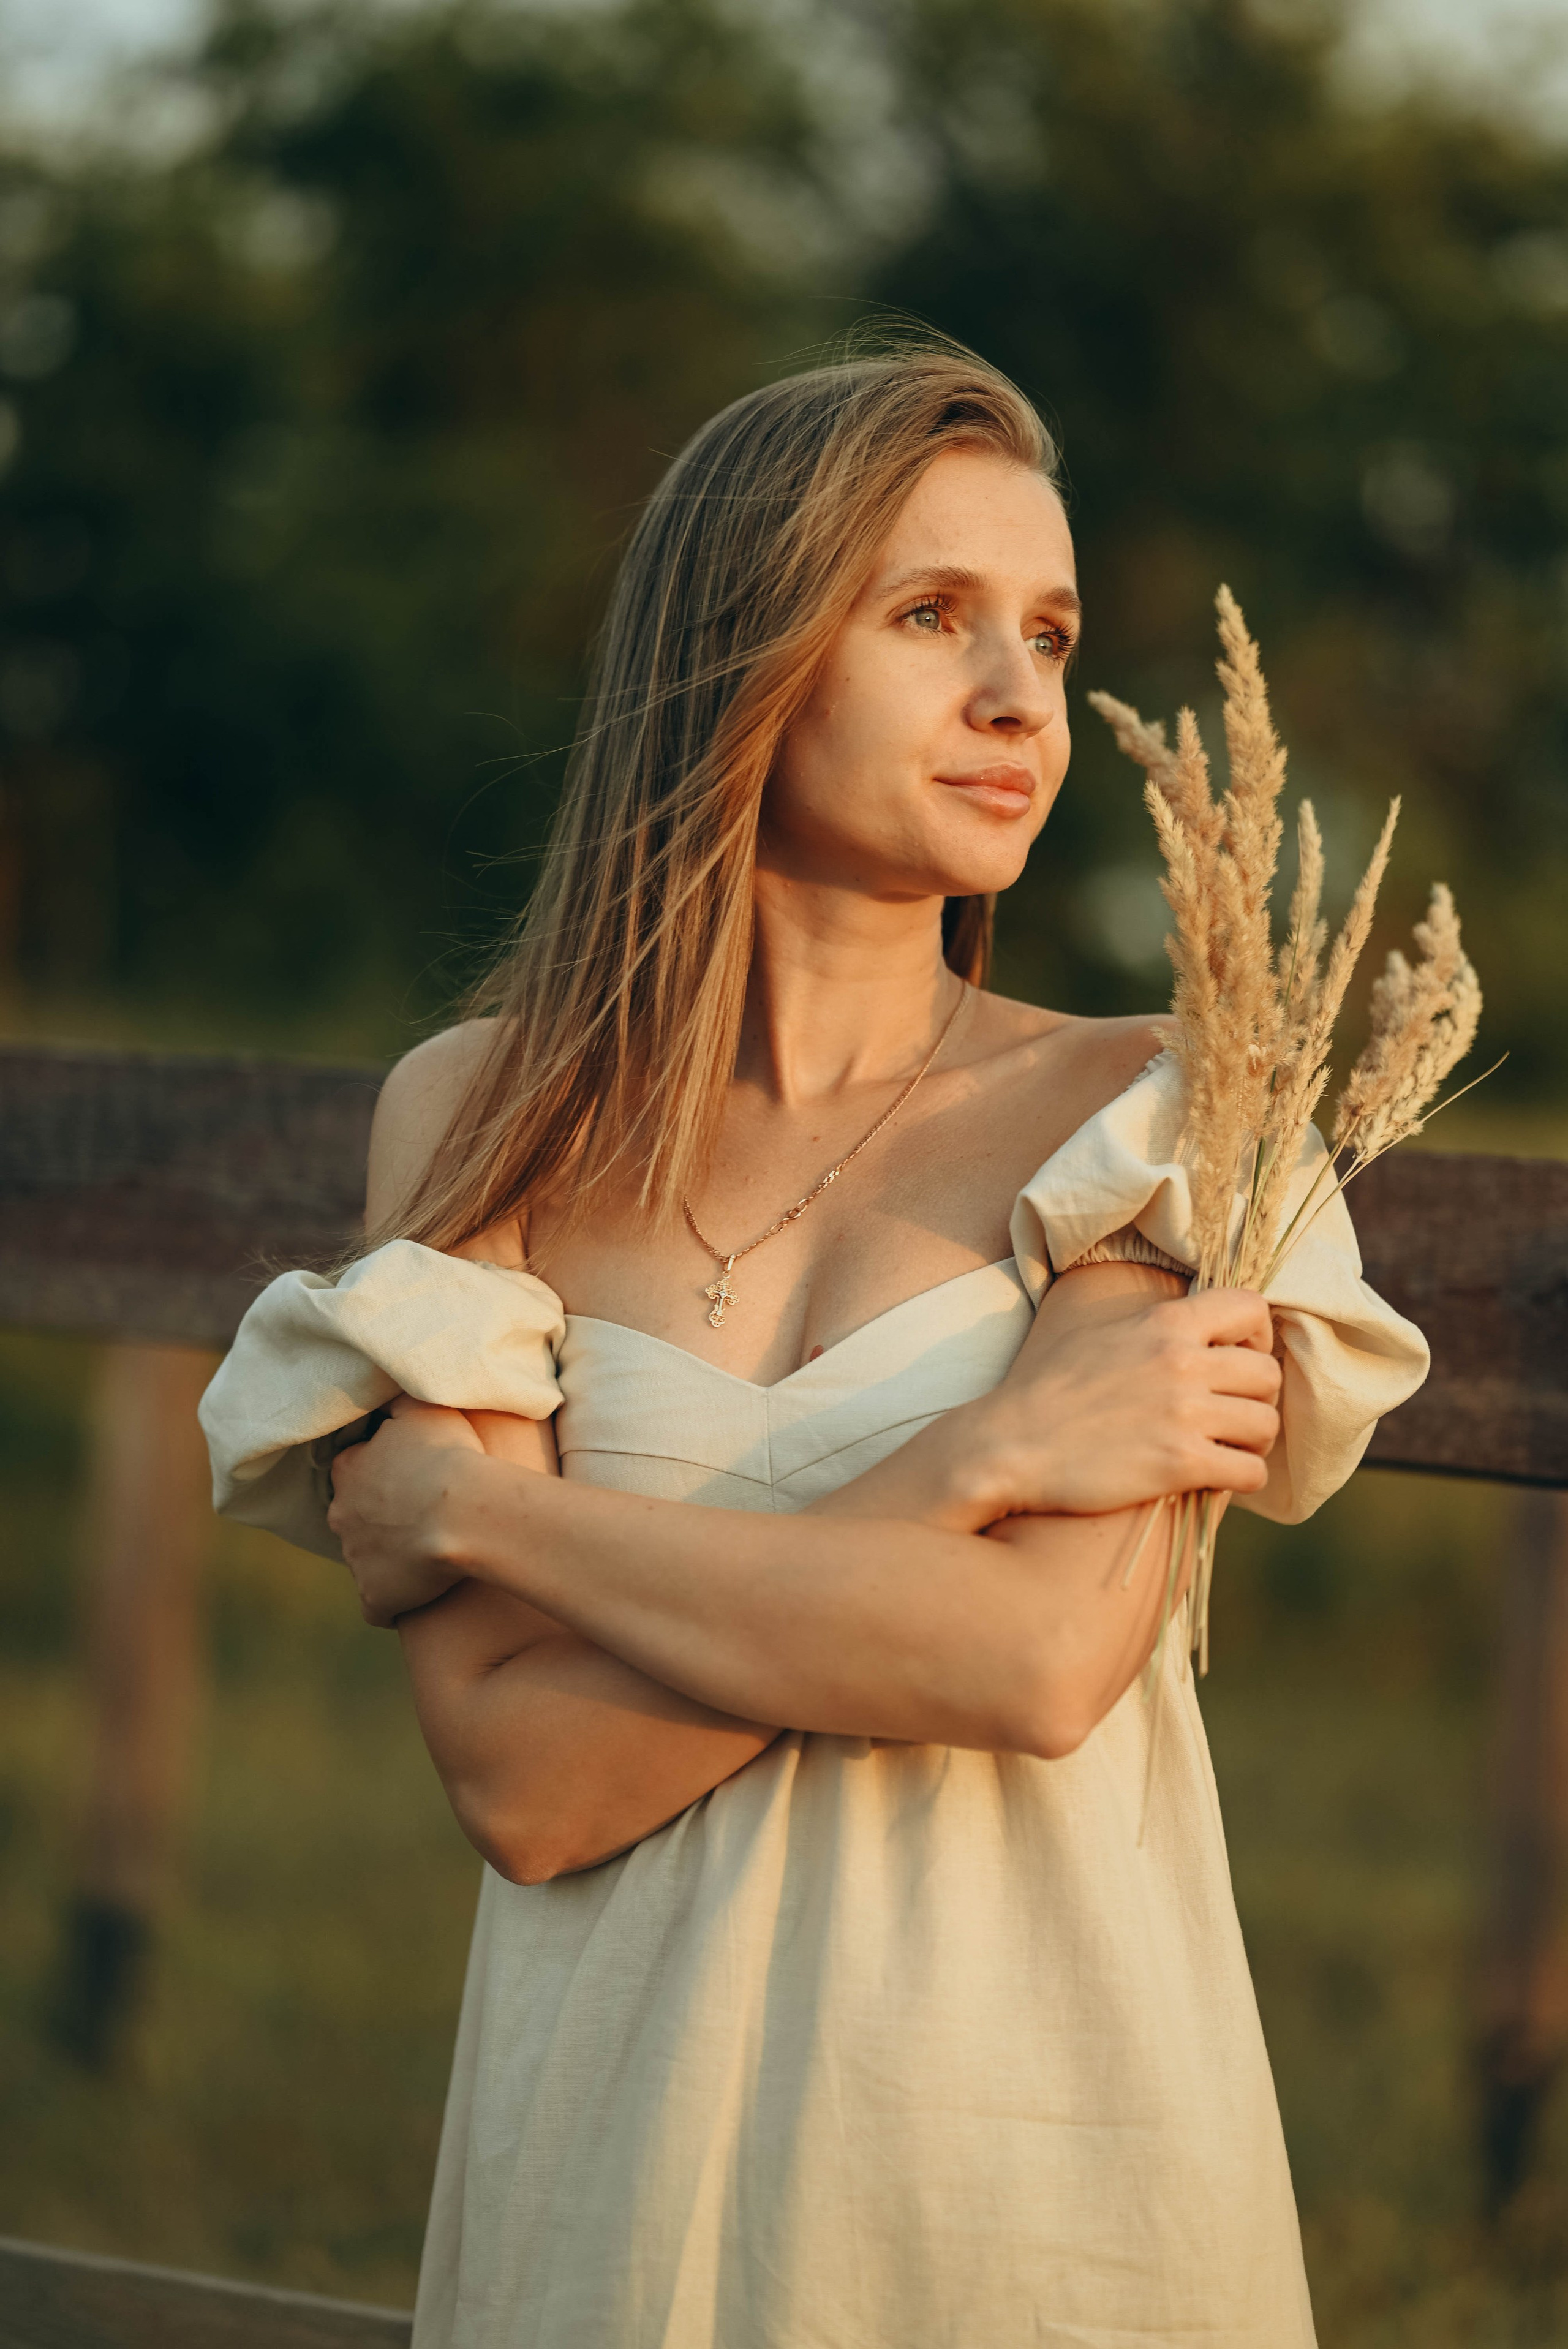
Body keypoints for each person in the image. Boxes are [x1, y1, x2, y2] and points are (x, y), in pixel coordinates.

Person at [200, 343, 1428, 2348]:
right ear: (741, 655)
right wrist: (974, 1468)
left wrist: (484, 1523)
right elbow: (520, 1780)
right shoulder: (482, 1112)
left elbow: (1030, 1664)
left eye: (1049, 632)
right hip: (599, 2160)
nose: (1021, 699)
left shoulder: (1176, 1102)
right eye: (929, 617)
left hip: (1026, 2164)